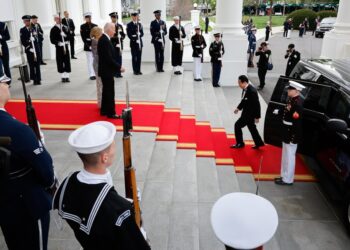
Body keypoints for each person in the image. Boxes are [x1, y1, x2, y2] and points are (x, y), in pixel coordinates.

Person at [53, 121, 151, 250]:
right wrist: (133, 220)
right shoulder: (119, 210)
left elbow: (92, 203)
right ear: (104, 158)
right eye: (112, 146)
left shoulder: (67, 184)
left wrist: (119, 201)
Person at [0, 81, 55, 250]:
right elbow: (47, 174)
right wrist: (37, 142)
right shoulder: (17, 129)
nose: (8, 85)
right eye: (4, 82)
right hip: (27, 206)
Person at [275, 81, 305, 186]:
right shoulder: (292, 100)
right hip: (286, 132)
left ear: (296, 91)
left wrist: (293, 137)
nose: (288, 90)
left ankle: (288, 179)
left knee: (290, 157)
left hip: (291, 134)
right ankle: (284, 175)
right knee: (285, 156)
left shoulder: (297, 104)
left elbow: (297, 124)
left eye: (290, 89)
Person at [98, 23, 125, 119]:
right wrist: (119, 67)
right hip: (107, 71)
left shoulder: (105, 39)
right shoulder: (104, 40)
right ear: (108, 29)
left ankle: (104, 110)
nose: (115, 31)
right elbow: (108, 58)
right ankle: (111, 113)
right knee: (110, 92)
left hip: (106, 70)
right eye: (113, 29)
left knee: (106, 91)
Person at [231, 75, 264, 149]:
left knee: (237, 125)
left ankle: (240, 143)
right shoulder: (246, 89)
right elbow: (244, 100)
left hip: (248, 115)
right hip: (247, 113)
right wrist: (238, 108)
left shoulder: (252, 91)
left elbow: (257, 105)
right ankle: (259, 143)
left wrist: (257, 117)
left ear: (244, 82)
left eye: (239, 83)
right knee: (252, 128)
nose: (238, 84)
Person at [20, 15, 42, 85]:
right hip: (29, 50)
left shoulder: (34, 28)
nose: (26, 22)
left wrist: (34, 39)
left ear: (29, 21)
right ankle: (34, 79)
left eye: (27, 21)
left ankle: (38, 79)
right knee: (32, 65)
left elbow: (37, 36)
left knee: (37, 65)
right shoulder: (22, 30)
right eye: (24, 21)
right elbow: (23, 41)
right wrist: (29, 46)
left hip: (36, 49)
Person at [50, 14, 71, 83]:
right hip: (59, 48)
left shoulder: (65, 27)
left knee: (67, 61)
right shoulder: (53, 29)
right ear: (55, 20)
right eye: (57, 19)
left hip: (65, 46)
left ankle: (67, 76)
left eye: (59, 18)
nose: (59, 20)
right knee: (60, 61)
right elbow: (52, 40)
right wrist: (58, 43)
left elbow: (69, 36)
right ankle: (62, 76)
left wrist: (65, 36)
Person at [80, 12, 97, 80]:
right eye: (87, 18)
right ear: (85, 18)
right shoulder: (82, 26)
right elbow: (83, 37)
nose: (88, 19)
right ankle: (91, 74)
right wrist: (88, 45)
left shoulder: (95, 25)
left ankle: (95, 73)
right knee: (90, 60)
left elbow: (97, 35)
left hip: (94, 45)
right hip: (88, 45)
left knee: (95, 60)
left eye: (89, 17)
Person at [110, 12, 126, 78]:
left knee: (119, 59)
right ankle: (114, 73)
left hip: (119, 45)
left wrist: (121, 36)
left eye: (116, 17)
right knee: (114, 59)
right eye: (113, 17)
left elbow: (123, 34)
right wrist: (116, 37)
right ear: (111, 18)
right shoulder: (110, 25)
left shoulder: (120, 26)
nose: (114, 18)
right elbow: (109, 35)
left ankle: (118, 72)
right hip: (113, 45)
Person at [90, 26, 103, 109]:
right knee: (99, 85)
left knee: (101, 85)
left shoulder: (98, 40)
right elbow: (96, 54)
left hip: (100, 64)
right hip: (98, 65)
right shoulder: (94, 41)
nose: (101, 33)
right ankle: (100, 104)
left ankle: (102, 102)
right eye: (100, 32)